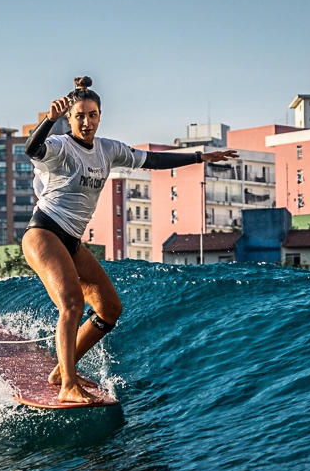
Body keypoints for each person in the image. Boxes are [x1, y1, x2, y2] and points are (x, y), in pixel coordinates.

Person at [22, 76, 238, 403]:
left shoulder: (108, 149)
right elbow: (31, 148)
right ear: (70, 118)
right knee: (71, 304)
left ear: (100, 115)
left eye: (92, 115)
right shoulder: (60, 148)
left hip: (72, 240)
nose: (86, 121)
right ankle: (68, 385)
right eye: (79, 116)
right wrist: (48, 121)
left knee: (109, 308)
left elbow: (153, 161)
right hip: (44, 233)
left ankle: (61, 371)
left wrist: (199, 157)